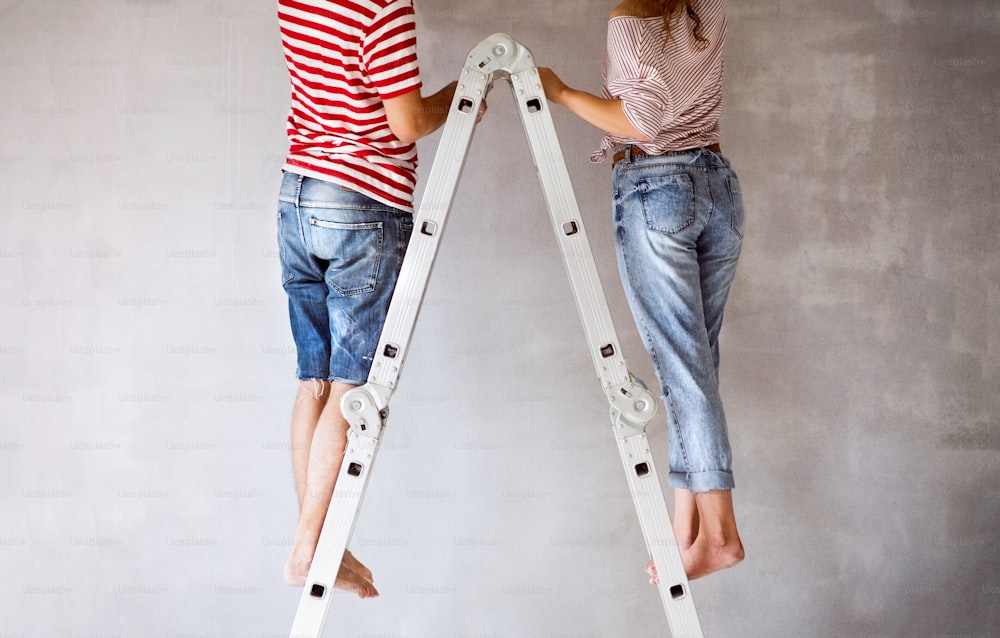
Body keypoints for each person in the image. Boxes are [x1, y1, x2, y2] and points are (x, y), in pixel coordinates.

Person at [539, 0, 745, 581]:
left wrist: (561, 93)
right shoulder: (705, 10)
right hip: (718, 190)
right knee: (695, 367)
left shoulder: (630, 18)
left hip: (658, 190)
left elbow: (644, 121)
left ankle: (721, 536)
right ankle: (688, 529)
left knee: (684, 369)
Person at [275, 0, 464, 598]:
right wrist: (457, 98)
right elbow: (405, 122)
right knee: (353, 383)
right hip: (360, 202)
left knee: (316, 382)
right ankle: (309, 548)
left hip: (296, 198)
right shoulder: (384, 7)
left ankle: (320, 540)